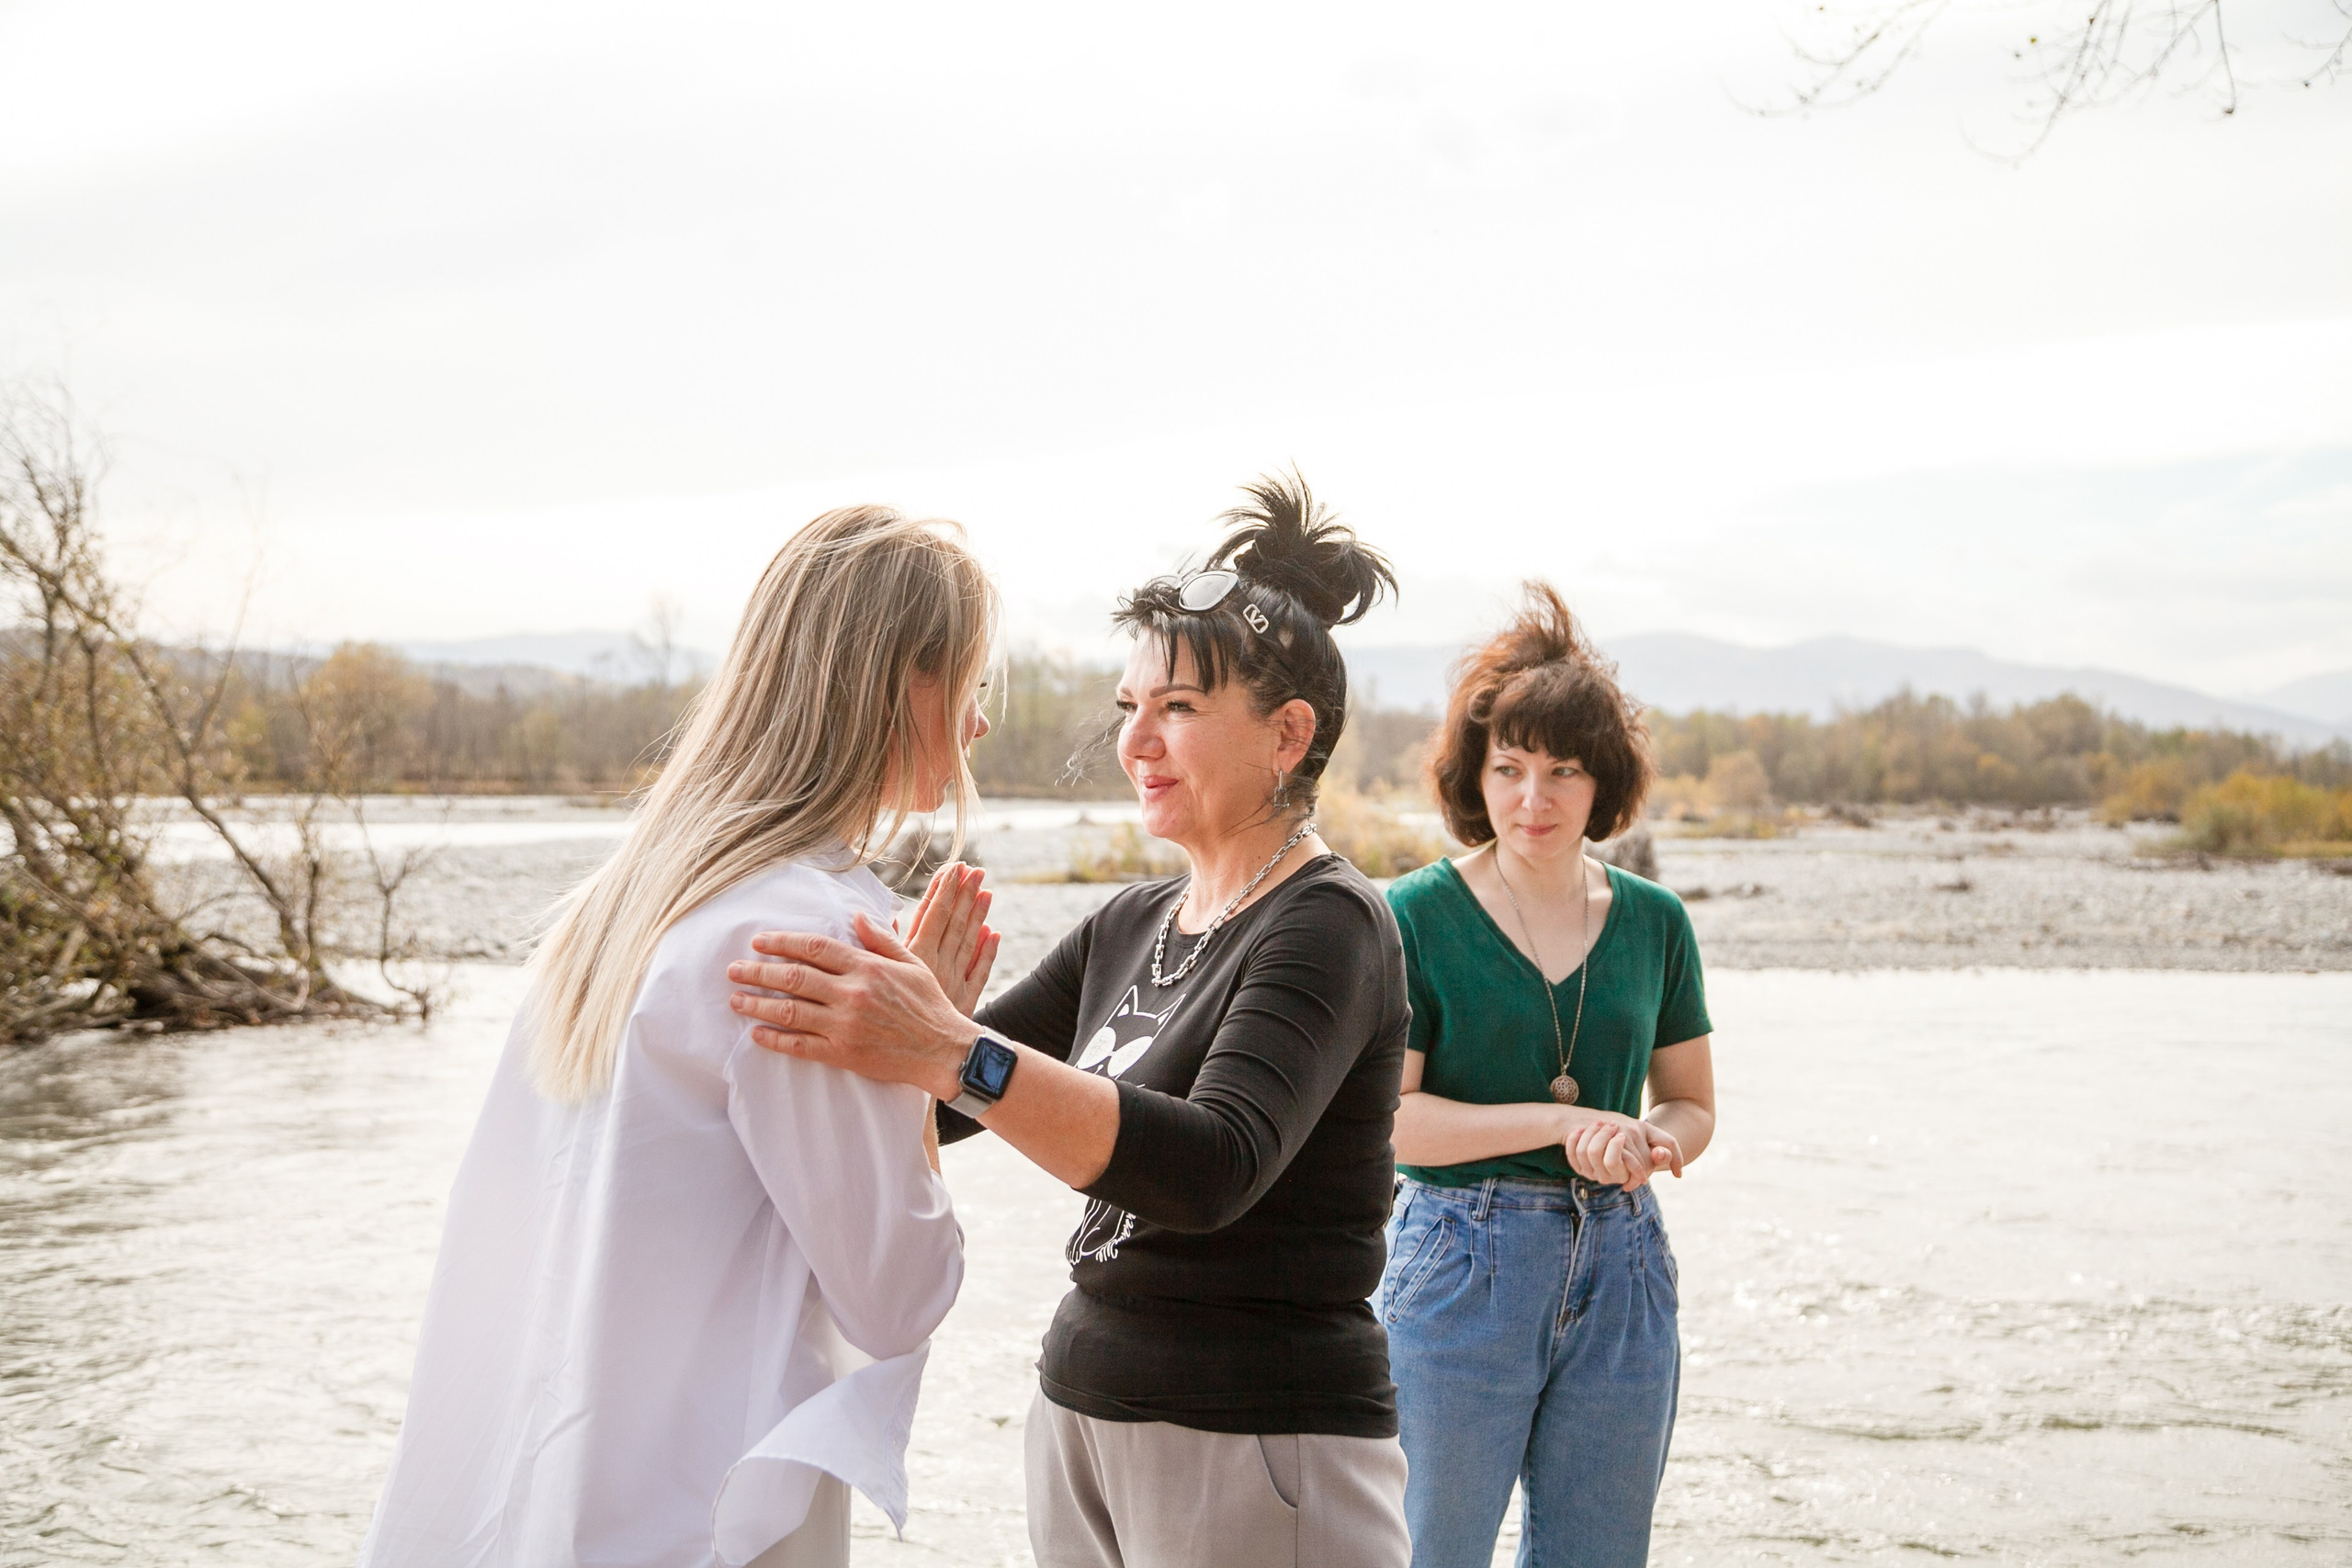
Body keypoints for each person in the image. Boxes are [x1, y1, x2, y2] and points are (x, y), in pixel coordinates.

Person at [726, 475, 1416, 1568]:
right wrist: (893, 1024)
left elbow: (1209, 1168)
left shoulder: (1331, 924)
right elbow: (934, 1108)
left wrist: (948, 1046)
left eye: (1177, 709)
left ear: (1288, 733)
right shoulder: (1130, 921)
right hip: (1080, 1413)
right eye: (1126, 709)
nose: (1135, 742)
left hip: (1261, 1439)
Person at [358, 506, 994, 1568]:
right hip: (708, 1514)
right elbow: (900, 1294)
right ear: (900, 684)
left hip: (548, 1498)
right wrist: (930, 1055)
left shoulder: (626, 904)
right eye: (968, 685)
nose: (976, 726)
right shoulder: (812, 937)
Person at [1377, 582, 1716, 1568]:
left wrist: (1655, 1144)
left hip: (1624, 1267)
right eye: (1510, 767)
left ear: (1601, 782)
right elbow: (1391, 1125)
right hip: (1457, 1267)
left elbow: (1691, 1104)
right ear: (1472, 776)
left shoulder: (1657, 922)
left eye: (1564, 771)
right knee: (1429, 1551)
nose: (1534, 799)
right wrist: (1559, 1125)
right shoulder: (1412, 916)